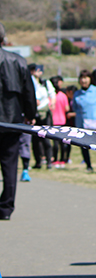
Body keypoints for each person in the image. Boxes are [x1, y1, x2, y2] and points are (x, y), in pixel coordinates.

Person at [0, 22, 37, 220]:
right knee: (9, 166)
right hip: (12, 122)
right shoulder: (19, 61)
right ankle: (5, 208)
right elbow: (28, 93)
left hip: (10, 121)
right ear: (3, 39)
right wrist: (30, 115)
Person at [73, 70, 96, 172]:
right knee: (83, 145)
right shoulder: (77, 94)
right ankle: (88, 165)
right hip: (82, 123)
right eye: (82, 78)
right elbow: (75, 108)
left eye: (86, 78)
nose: (84, 80)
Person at [29, 64, 55, 169]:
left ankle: (49, 161)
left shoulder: (45, 83)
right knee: (35, 140)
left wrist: (52, 103)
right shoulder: (29, 83)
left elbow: (52, 94)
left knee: (46, 138)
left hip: (45, 113)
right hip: (34, 113)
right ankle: (38, 162)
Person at [49, 76, 69, 168]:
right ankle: (62, 159)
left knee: (55, 143)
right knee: (62, 142)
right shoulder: (63, 96)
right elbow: (67, 108)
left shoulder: (50, 97)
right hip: (62, 121)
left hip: (53, 121)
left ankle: (55, 159)